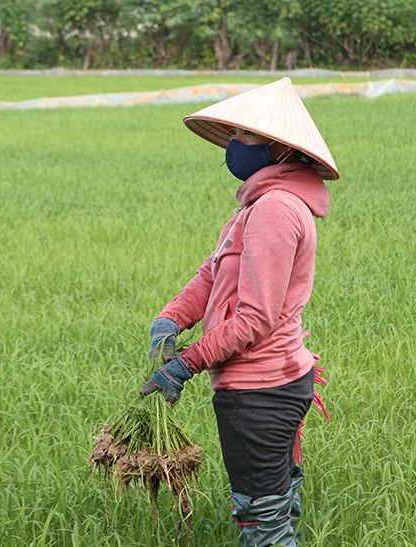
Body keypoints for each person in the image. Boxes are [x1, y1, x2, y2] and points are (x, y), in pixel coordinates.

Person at [140, 78, 337, 547]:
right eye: (233, 135)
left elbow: (256, 317)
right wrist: (172, 318)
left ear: (281, 150)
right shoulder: (257, 205)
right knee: (275, 502)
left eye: (245, 137)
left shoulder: (275, 210)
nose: (232, 145)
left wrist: (185, 364)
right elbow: (211, 274)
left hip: (261, 391)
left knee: (263, 523)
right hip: (269, 383)